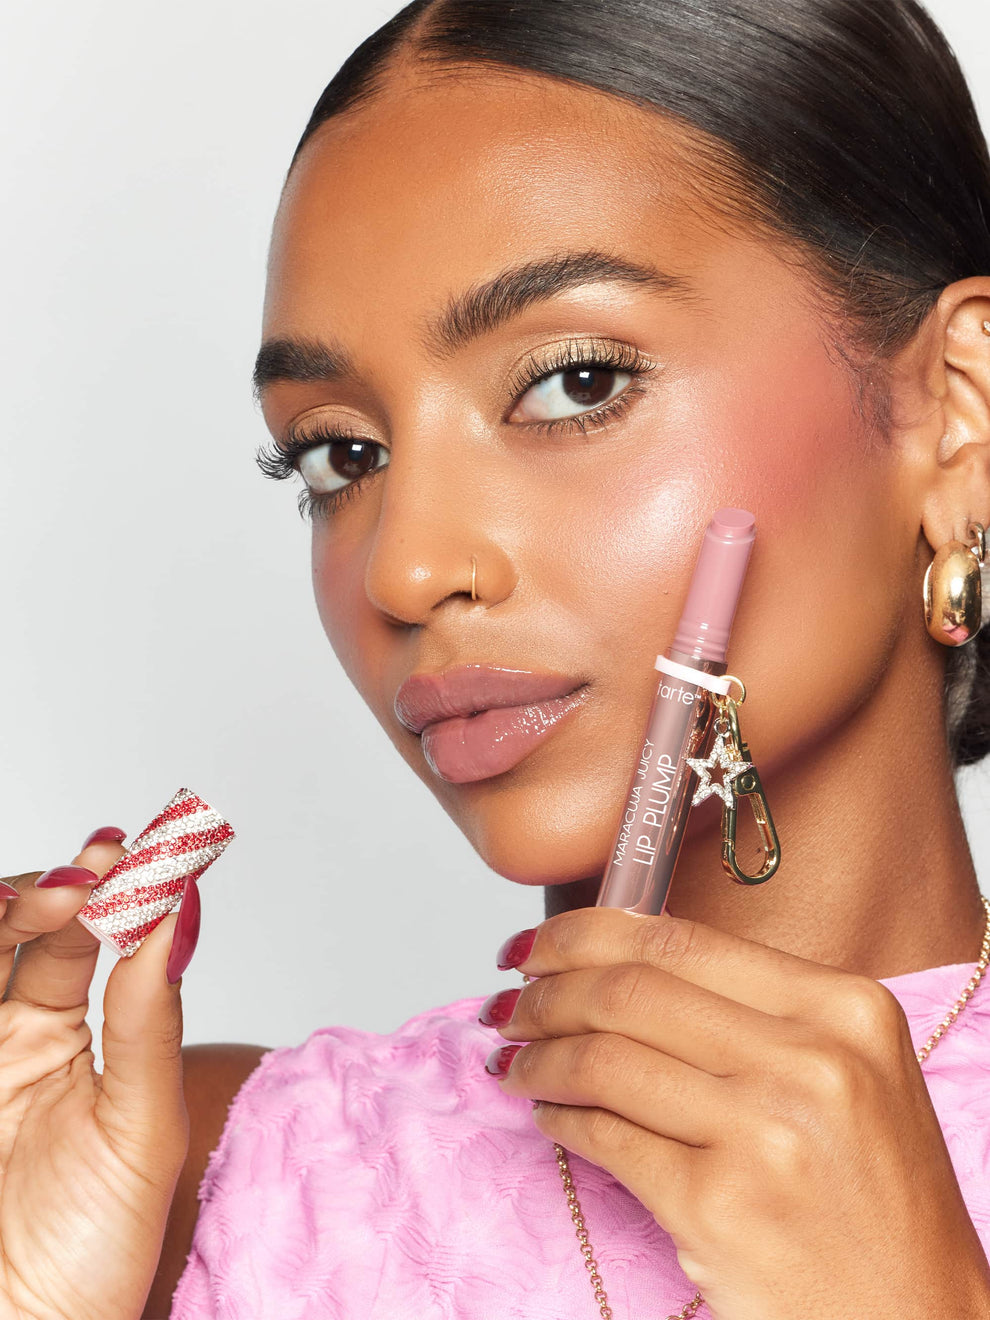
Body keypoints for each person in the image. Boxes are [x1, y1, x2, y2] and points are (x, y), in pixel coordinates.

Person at [4, 0, 990, 1316]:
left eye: (575, 382)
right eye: (339, 453)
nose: (407, 568)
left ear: (956, 414)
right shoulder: (192, 1178)